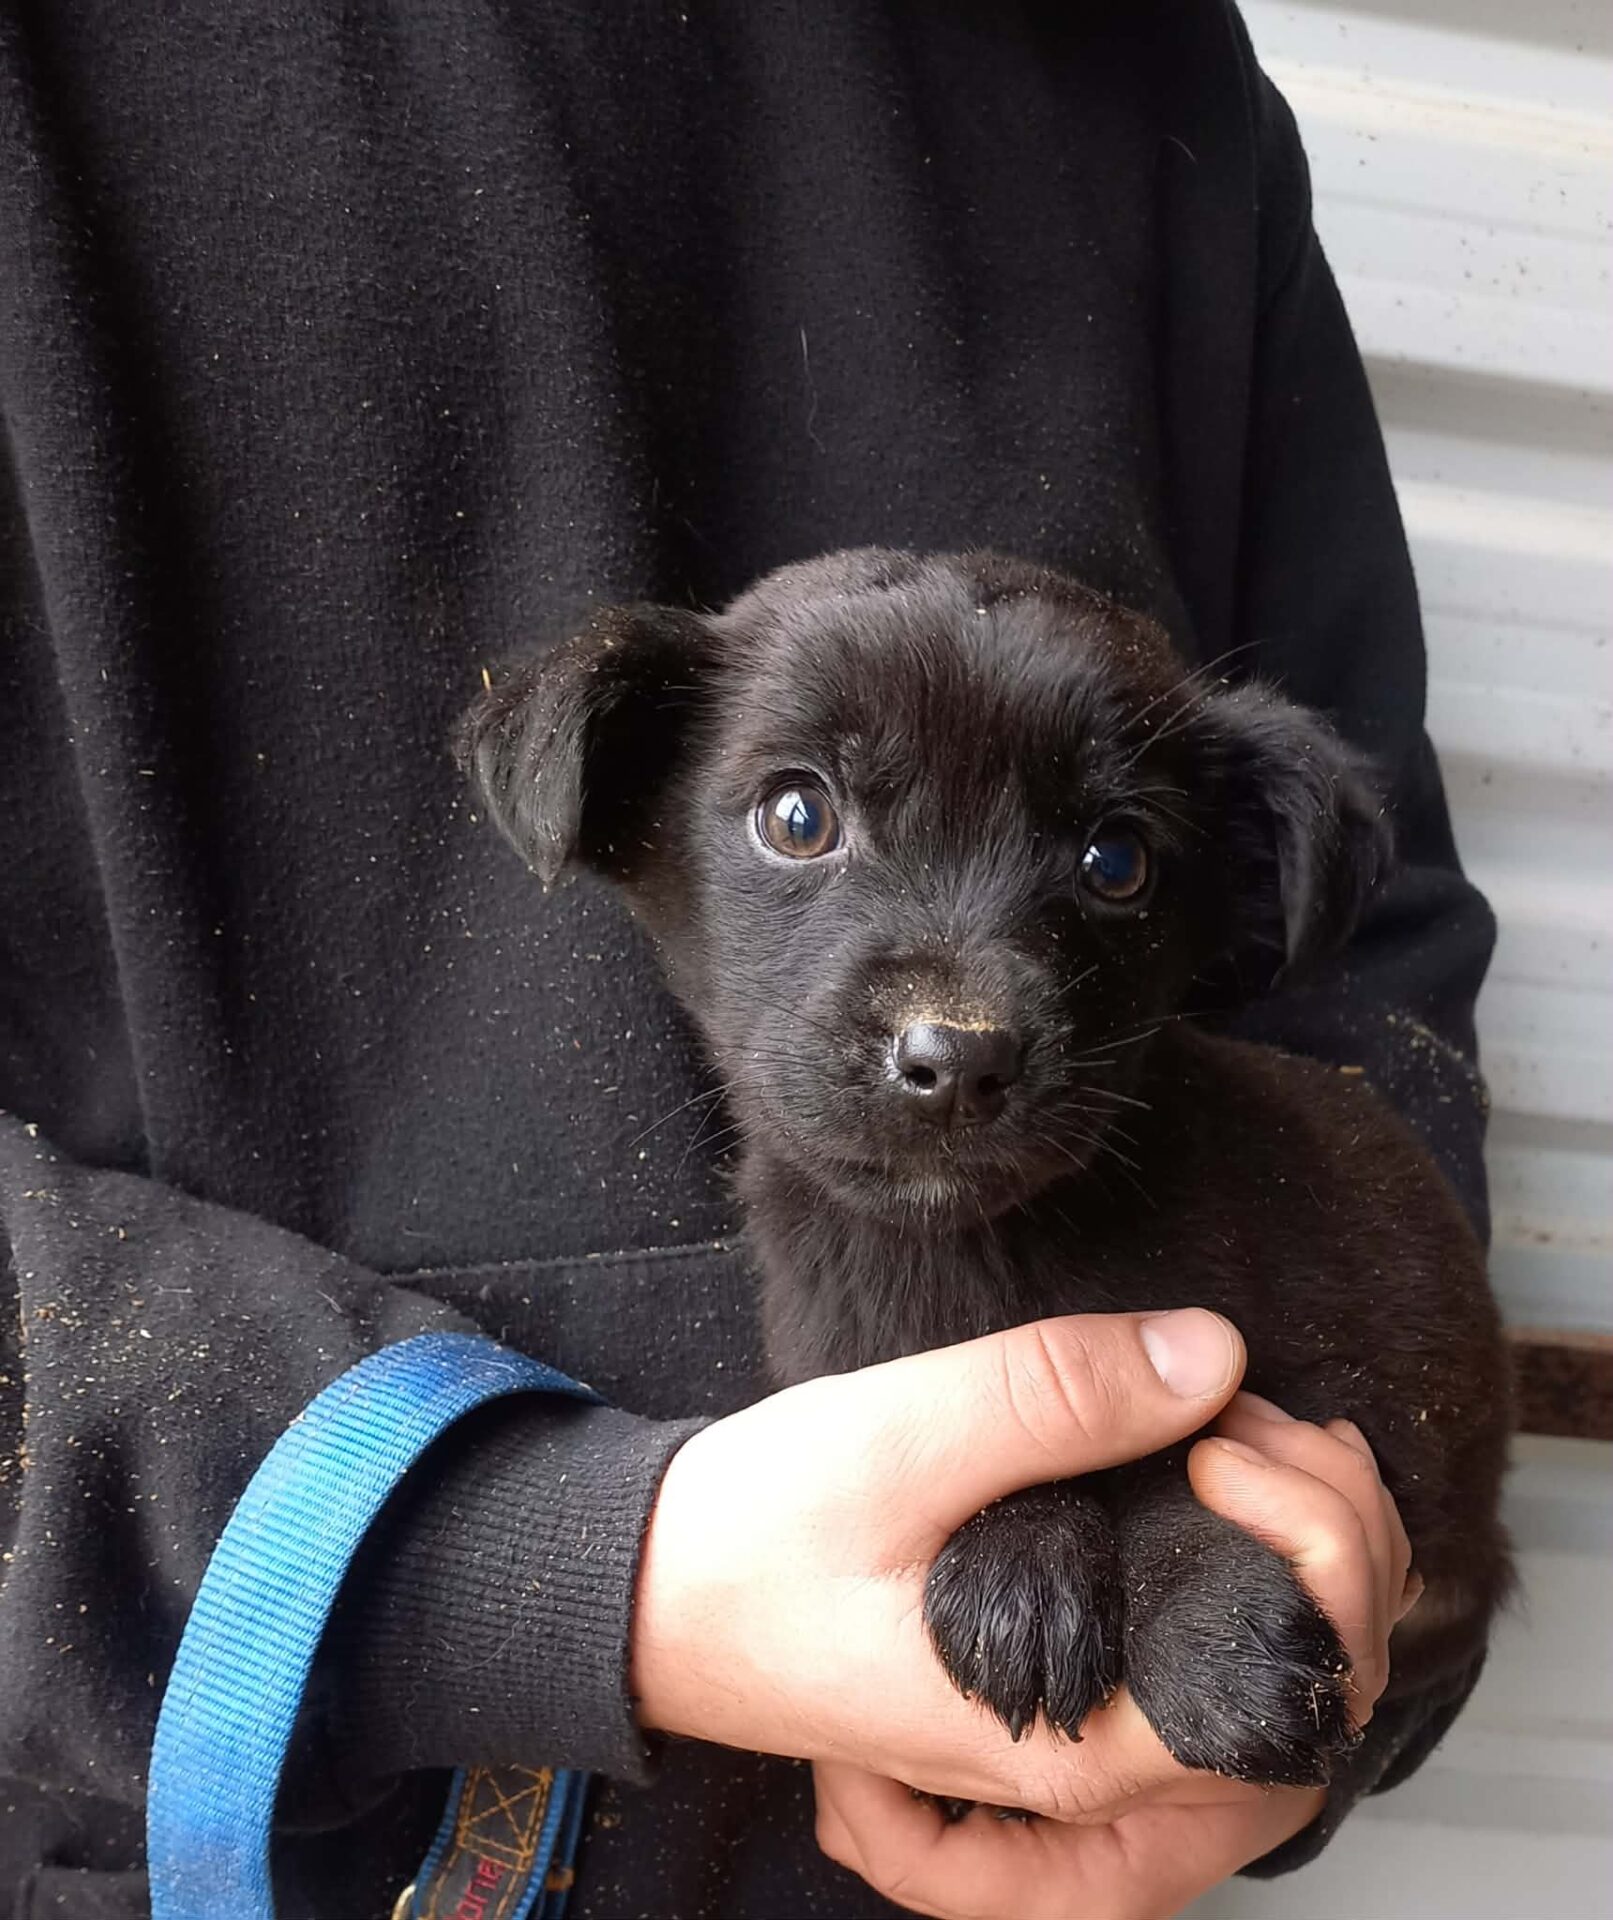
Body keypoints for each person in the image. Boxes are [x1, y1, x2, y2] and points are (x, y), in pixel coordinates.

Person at [0, 2, 1497, 1916]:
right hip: (211, 1809)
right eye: (804, 818)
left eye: (1105, 858)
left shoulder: (1152, 79)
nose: (958, 1017)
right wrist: (493, 1557)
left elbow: (1354, 965)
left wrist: (1363, 1583)